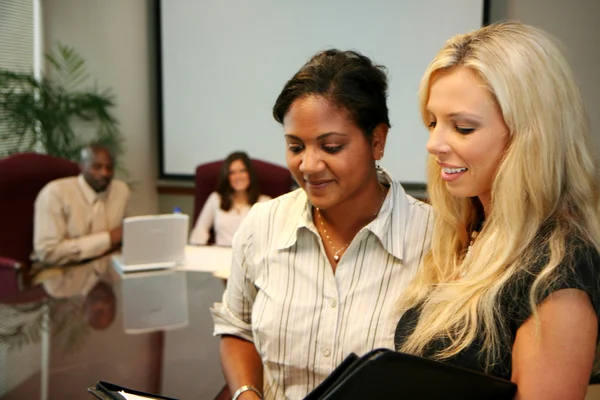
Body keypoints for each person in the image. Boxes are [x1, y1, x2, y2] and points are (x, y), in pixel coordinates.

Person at [394, 21, 600, 400]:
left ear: (531, 135)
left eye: (463, 128)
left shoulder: (557, 269)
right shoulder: (471, 233)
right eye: (433, 122)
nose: (434, 143)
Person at [211, 49, 433, 400]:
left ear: (377, 141)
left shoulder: (436, 239)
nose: (309, 165)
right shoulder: (262, 225)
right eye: (295, 146)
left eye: (330, 147)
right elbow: (237, 327)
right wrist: (246, 394)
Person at [34, 144, 131, 265]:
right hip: (62, 271)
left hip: (110, 267)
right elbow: (48, 252)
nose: (105, 173)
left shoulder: (121, 190)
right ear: (82, 167)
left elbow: (124, 237)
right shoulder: (55, 193)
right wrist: (108, 239)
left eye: (109, 167)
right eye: (97, 167)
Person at [189, 151, 271, 246]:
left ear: (250, 173)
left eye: (242, 171)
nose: (238, 177)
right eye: (232, 173)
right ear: (227, 177)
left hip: (251, 258)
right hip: (220, 255)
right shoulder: (216, 199)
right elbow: (200, 230)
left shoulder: (265, 203)